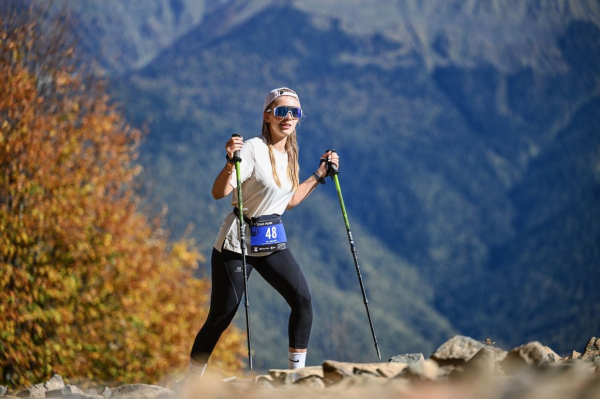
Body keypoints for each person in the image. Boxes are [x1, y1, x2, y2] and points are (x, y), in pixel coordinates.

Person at [187, 87, 339, 378]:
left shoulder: (291, 153)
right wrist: (231, 161)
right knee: (221, 317)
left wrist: (319, 175)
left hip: (270, 240)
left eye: (294, 112)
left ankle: (297, 379)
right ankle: (193, 382)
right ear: (267, 115)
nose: (288, 118)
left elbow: (289, 201)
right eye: (281, 111)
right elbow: (219, 192)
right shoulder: (253, 150)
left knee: (303, 301)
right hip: (236, 244)